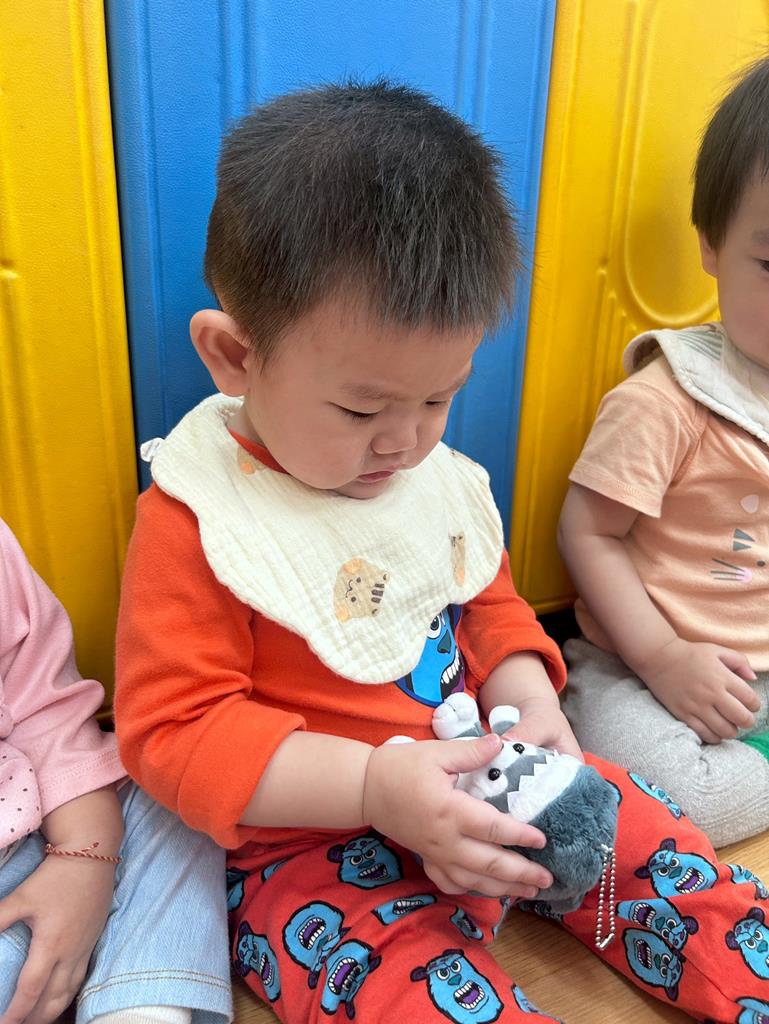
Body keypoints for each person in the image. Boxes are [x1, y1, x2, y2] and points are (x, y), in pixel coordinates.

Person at [115, 81, 769, 1023]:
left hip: (495, 781)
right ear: (234, 357)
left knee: (654, 854)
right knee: (403, 988)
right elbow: (174, 733)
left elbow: (488, 605)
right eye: (361, 409)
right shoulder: (200, 518)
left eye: (438, 397)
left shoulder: (431, 477)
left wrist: (531, 703)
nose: (405, 442)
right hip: (313, 846)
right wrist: (373, 787)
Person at [558, 57, 769, 849]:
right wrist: (662, 655)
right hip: (641, 668)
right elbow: (587, 531)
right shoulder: (668, 398)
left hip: (754, 678)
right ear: (710, 245)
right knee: (677, 801)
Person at [0, 518, 232, 1024]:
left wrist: (85, 859)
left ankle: (142, 1008)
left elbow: (42, 710)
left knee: (176, 782)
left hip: (39, 830)